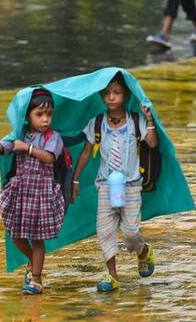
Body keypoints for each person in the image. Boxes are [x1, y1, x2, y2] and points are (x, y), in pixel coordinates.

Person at [71, 72, 158, 292]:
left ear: (126, 95)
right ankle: (112, 276)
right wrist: (75, 179)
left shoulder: (135, 121)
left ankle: (143, 251)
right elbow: (86, 152)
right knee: (105, 231)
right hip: (105, 186)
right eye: (107, 93)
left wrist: (148, 119)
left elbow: (152, 143)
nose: (111, 97)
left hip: (131, 186)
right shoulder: (98, 123)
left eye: (116, 92)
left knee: (130, 233)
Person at [0, 88, 66, 295]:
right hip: (21, 194)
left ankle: (36, 278)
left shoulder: (53, 137)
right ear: (27, 116)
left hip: (41, 194)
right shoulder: (19, 135)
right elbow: (5, 147)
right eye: (40, 114)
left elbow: (49, 158)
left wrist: (26, 148)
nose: (45, 119)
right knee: (15, 234)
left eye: (49, 114)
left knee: (37, 238)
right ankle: (31, 260)